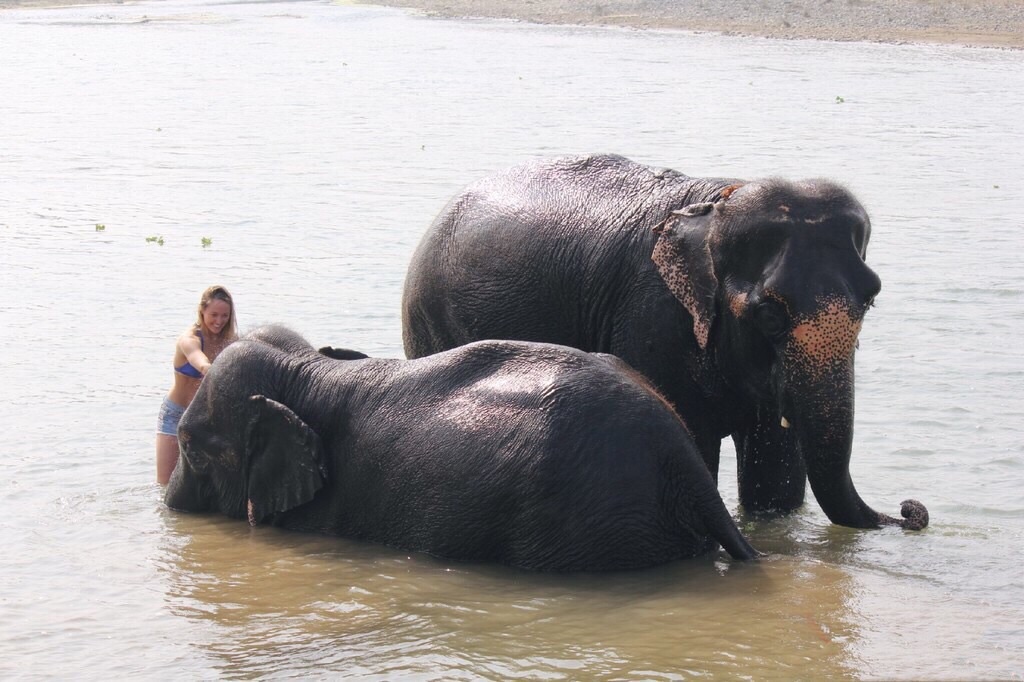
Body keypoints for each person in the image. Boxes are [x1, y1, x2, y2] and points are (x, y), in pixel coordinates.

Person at [156, 285, 238, 485]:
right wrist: (208, 368)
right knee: (166, 485)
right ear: (202, 311)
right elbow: (197, 358)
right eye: (214, 315)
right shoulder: (189, 340)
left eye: (225, 316)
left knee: (207, 485)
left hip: (207, 418)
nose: (219, 321)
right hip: (176, 415)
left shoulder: (230, 342)